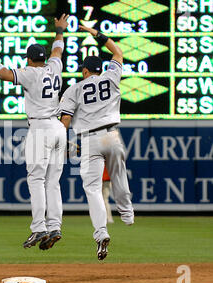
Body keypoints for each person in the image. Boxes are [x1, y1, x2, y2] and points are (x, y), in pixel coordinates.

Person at [0, 14, 69, 251]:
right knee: (53, 182)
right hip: (59, 128)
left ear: (29, 59)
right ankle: (55, 226)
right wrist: (59, 30)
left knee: (36, 179)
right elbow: (58, 50)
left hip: (41, 128)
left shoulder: (31, 72)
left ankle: (39, 227)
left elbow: (3, 73)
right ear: (44, 58)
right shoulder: (54, 67)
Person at [60, 25, 134, 261]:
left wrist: (63, 142)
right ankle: (127, 213)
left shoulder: (74, 88)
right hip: (111, 134)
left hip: (89, 139)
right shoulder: (111, 76)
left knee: (92, 189)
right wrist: (96, 34)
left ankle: (101, 232)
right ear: (100, 70)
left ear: (84, 71)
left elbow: (66, 120)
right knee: (118, 175)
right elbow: (118, 53)